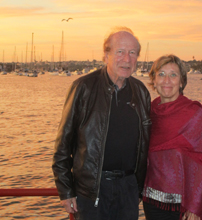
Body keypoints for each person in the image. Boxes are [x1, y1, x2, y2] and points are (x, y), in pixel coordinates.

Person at [52, 27, 151, 220]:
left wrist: (137, 188)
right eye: (120, 52)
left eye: (132, 53)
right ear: (106, 55)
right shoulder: (83, 88)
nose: (127, 59)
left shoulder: (141, 92)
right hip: (92, 191)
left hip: (128, 190)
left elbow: (146, 143)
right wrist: (65, 190)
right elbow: (62, 145)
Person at [142, 54, 202, 220]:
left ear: (182, 82)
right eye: (161, 74)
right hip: (151, 201)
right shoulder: (148, 113)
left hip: (182, 207)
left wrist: (195, 207)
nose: (166, 80)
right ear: (154, 80)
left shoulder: (194, 115)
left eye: (173, 75)